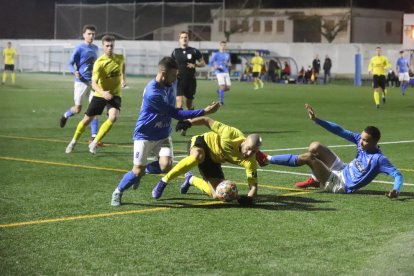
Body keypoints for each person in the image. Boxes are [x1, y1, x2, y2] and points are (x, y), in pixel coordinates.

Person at [110, 57, 220, 207]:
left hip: (163, 135)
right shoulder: (152, 93)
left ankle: (143, 170)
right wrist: (204, 111)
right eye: (174, 75)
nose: (176, 79)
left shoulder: (171, 81)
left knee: (166, 166)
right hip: (145, 135)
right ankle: (118, 191)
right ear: (163, 73)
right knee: (136, 171)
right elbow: (176, 114)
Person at [256, 104, 403, 199]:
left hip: (340, 184)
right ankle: (315, 179)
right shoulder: (360, 141)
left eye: (365, 140)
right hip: (342, 169)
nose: (360, 141)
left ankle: (267, 159)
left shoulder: (379, 159)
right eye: (361, 138)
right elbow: (340, 130)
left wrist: (395, 190)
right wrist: (316, 120)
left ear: (374, 143)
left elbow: (398, 175)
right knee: (315, 146)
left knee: (309, 157)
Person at [151, 116, 261, 205]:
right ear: (245, 140)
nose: (249, 153)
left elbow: (253, 186)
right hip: (202, 143)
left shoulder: (250, 161)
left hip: (213, 161)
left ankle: (191, 179)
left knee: (218, 195)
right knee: (198, 156)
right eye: (249, 149)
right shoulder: (230, 134)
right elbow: (206, 120)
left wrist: (249, 198)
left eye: (254, 152)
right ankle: (164, 181)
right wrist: (189, 122)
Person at [65, 35, 126, 154]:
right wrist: (103, 93)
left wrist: (123, 79)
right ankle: (73, 142)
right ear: (103, 46)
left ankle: (94, 142)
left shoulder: (120, 58)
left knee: (113, 117)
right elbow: (93, 84)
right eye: (107, 46)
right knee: (86, 120)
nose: (109, 48)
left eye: (111, 45)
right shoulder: (99, 63)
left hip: (115, 94)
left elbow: (122, 69)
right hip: (100, 94)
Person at [59, 25, 101, 145]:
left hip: (93, 83)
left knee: (94, 109)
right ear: (83, 35)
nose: (91, 36)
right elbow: (70, 64)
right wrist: (74, 72)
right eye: (89, 33)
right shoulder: (79, 48)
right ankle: (66, 115)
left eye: (93, 34)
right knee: (78, 109)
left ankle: (94, 137)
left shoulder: (96, 48)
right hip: (81, 82)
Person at [171, 31, 205, 111]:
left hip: (191, 80)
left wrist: (195, 65)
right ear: (179, 39)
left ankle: (190, 116)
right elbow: (171, 64)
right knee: (179, 101)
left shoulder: (194, 51)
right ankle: (181, 121)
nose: (184, 39)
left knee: (189, 103)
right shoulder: (175, 51)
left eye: (186, 37)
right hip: (179, 80)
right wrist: (174, 71)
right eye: (182, 37)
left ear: (188, 39)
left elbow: (203, 63)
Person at [209, 41, 232, 105]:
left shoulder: (227, 55)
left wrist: (229, 65)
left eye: (224, 45)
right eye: (222, 45)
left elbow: (228, 63)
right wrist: (214, 66)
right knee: (222, 86)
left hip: (226, 71)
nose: (223, 47)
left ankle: (219, 91)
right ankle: (221, 101)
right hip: (219, 72)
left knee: (228, 88)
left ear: (226, 46)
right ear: (220, 46)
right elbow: (210, 63)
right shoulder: (216, 54)